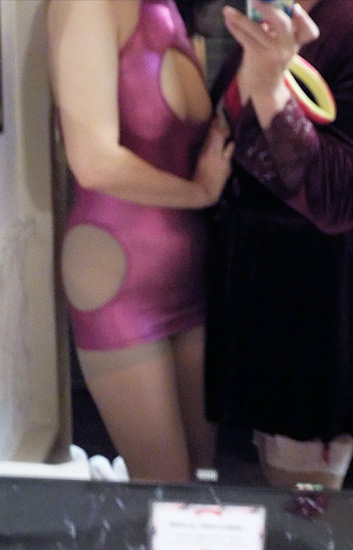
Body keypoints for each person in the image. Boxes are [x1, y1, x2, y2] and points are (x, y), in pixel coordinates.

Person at [205, 0, 353, 488]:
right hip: (253, 285)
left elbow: (336, 200)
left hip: (313, 301)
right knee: (256, 490)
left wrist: (269, 85)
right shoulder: (265, 21)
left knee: (303, 511)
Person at [46, 0, 233, 483]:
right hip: (117, 278)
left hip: (189, 275)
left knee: (201, 471)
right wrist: (198, 193)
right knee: (164, 484)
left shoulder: (170, 9)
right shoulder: (85, 5)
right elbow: (92, 161)